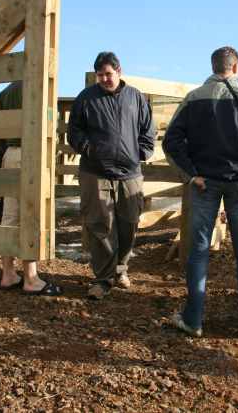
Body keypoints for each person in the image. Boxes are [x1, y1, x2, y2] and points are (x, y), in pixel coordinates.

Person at [163, 46, 238, 337]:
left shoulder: (194, 98)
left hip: (204, 183)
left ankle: (193, 320)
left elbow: (171, 141)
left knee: (198, 252)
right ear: (236, 67)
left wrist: (191, 174)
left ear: (213, 66)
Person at [68, 52, 156, 300]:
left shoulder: (135, 97)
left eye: (108, 74)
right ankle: (102, 278)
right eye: (100, 75)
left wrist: (141, 152)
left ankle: (121, 269)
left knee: (129, 222)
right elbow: (74, 131)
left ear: (119, 71)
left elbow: (148, 129)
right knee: (100, 225)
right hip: (95, 172)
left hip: (129, 173)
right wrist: (89, 149)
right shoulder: (86, 98)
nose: (105, 79)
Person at [0, 81, 62, 295]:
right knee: (30, 215)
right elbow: (50, 122)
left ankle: (7, 273)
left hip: (10, 153)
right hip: (31, 153)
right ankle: (31, 278)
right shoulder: (40, 86)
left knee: (9, 215)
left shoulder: (5, 93)